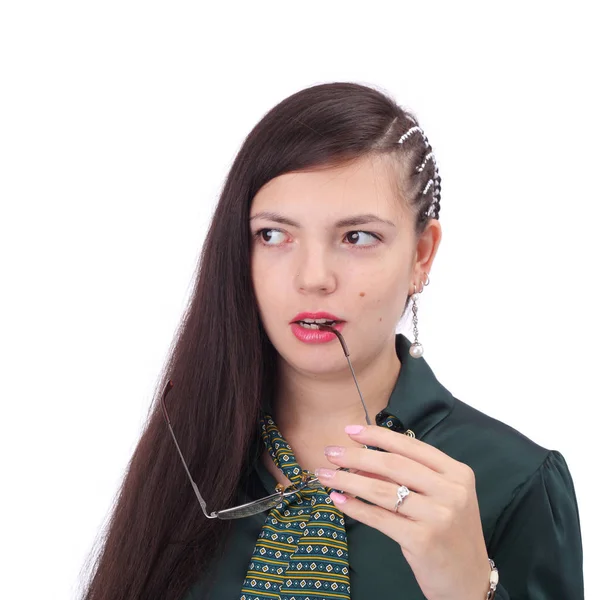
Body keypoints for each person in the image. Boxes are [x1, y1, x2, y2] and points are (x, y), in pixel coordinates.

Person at [79, 82, 584, 600]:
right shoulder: (185, 453)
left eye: (357, 237)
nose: (313, 278)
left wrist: (471, 592)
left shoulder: (516, 481)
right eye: (274, 235)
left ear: (421, 256)